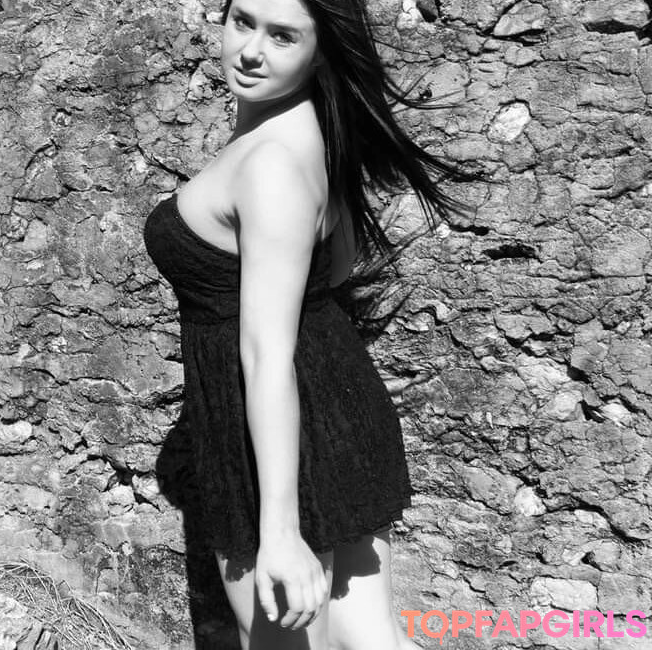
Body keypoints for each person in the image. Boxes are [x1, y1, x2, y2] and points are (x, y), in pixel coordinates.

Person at [142, 0, 470, 648]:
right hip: (334, 407)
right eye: (243, 21)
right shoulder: (312, 132)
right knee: (367, 639)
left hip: (276, 443)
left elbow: (266, 353)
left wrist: (281, 532)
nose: (250, 50)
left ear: (320, 52)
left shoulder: (269, 163)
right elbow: (335, 270)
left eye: (282, 36)